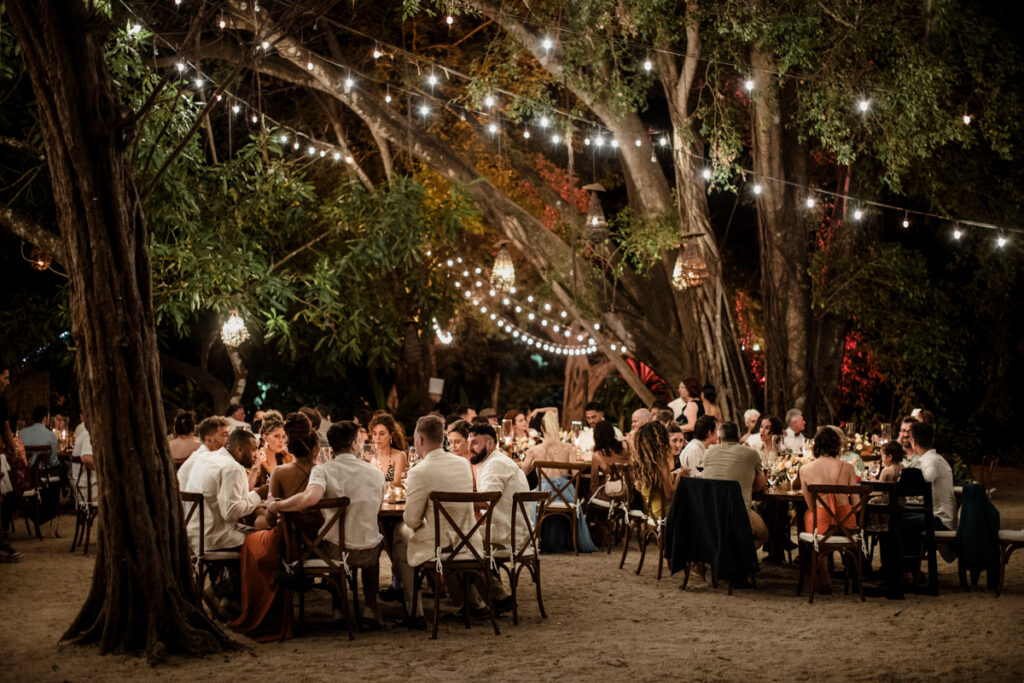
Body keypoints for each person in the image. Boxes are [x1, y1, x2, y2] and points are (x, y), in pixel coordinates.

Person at [266, 422, 385, 630]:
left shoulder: (323, 470)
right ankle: (370, 608)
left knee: (330, 537)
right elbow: (377, 508)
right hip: (367, 551)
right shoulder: (375, 473)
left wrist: (278, 505)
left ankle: (338, 609)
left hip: (333, 553)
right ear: (354, 444)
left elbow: (310, 498)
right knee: (376, 541)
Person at [391, 416, 476, 629]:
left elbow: (412, 520)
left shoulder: (419, 471)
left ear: (420, 439)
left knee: (399, 534)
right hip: (466, 539)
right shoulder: (463, 464)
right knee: (409, 533)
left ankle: (415, 611)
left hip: (438, 543)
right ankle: (468, 601)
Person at [795, 426, 859, 593]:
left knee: (810, 515)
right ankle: (851, 577)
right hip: (846, 526)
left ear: (816, 446)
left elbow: (811, 506)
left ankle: (824, 574)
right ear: (837, 445)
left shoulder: (804, 470)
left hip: (821, 527)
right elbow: (857, 503)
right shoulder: (848, 468)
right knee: (825, 517)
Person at [469, 423, 529, 572]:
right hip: (507, 528)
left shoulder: (496, 464)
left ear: (490, 444)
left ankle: (482, 583)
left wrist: (456, 502)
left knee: (451, 538)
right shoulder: (490, 461)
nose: (469, 447)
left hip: (508, 535)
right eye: (468, 442)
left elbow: (485, 502)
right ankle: (487, 582)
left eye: (475, 443)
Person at [701, 422, 769, 548]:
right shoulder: (751, 454)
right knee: (763, 534)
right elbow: (760, 486)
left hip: (710, 513)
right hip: (738, 513)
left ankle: (726, 554)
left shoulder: (708, 453)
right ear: (739, 438)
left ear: (719, 439)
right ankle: (738, 556)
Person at [631, 422, 685, 522]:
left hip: (652, 512)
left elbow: (657, 483)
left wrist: (672, 474)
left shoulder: (644, 463)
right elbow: (669, 495)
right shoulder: (662, 462)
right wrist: (680, 476)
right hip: (664, 513)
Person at [909, 421, 957, 531]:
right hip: (937, 517)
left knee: (896, 521)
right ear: (932, 440)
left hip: (941, 521)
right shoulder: (933, 459)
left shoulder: (931, 461)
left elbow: (923, 486)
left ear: (913, 442)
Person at [0, 367, 23, 562]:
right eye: (5, 378)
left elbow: (5, 428)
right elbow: (5, 428)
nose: (7, 382)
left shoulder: (1, 401)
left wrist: (13, 448)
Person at [177, 416, 230, 490]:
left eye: (229, 434)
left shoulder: (206, 454)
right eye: (224, 435)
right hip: (190, 496)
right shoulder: (205, 458)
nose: (229, 438)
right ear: (208, 440)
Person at [252, 416, 291, 489]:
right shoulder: (256, 458)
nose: (281, 440)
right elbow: (248, 488)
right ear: (265, 437)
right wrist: (256, 465)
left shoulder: (286, 457)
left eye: (283, 437)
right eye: (276, 436)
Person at [590, 420, 630, 491]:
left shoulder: (598, 455)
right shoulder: (626, 445)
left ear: (596, 436)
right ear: (613, 433)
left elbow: (594, 483)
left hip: (612, 493)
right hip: (630, 490)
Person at [368, 413, 408, 485]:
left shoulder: (399, 455)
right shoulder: (369, 456)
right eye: (374, 434)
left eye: (382, 434)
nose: (377, 438)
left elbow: (397, 483)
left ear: (390, 435)